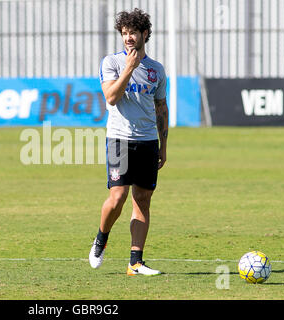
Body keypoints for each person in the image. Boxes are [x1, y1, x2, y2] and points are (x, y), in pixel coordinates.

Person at [89, 8, 169, 276]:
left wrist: (163, 145)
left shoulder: (156, 70)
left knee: (143, 200)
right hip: (119, 139)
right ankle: (101, 237)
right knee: (118, 196)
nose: (128, 38)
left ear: (145, 34)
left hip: (147, 142)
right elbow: (111, 97)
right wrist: (129, 69)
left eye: (133, 32)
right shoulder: (111, 63)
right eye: (124, 33)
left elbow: (161, 108)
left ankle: (135, 262)